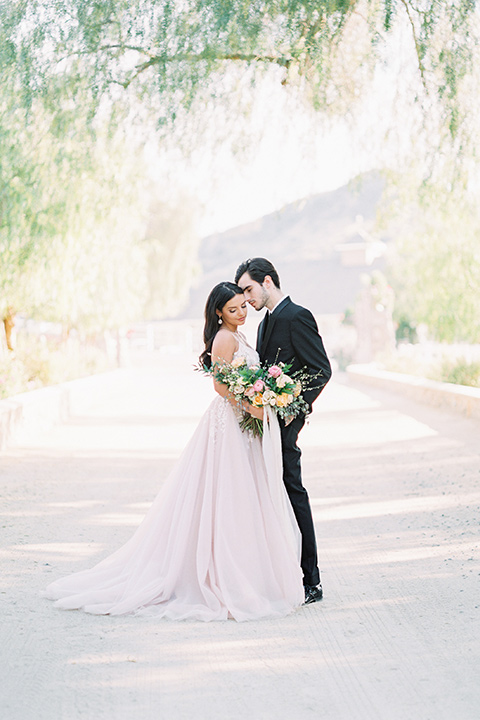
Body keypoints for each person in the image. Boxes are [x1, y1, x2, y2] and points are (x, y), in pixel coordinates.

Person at [41, 282, 304, 621]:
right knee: (226, 494)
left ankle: (248, 571)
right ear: (218, 313)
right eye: (233, 309)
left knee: (246, 497)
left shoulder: (238, 335)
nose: (241, 313)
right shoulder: (224, 338)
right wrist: (251, 406)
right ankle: (219, 573)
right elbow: (221, 385)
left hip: (244, 423)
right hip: (230, 422)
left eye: (242, 306)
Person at [235, 258, 332, 604]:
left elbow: (321, 370)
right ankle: (279, 573)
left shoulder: (297, 316)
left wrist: (295, 411)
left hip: (286, 425)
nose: (247, 299)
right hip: (266, 425)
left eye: (249, 290)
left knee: (294, 494)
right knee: (269, 498)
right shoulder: (264, 326)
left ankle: (312, 580)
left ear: (266, 281)